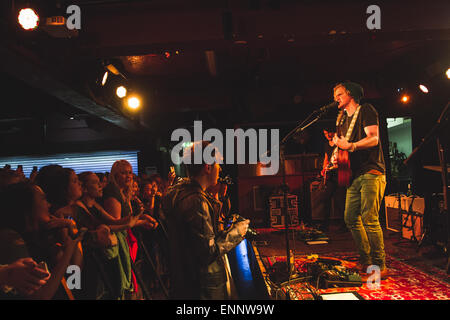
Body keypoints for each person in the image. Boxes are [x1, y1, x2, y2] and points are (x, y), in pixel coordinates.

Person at [162, 141, 250, 300]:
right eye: (217, 163)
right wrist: (238, 231)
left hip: (185, 283)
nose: (220, 168)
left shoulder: (179, 193)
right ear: (207, 167)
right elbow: (207, 252)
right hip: (202, 288)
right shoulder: (196, 202)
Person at [332, 81, 387, 279]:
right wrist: (335, 156)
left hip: (372, 171)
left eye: (339, 94)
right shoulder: (341, 120)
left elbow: (373, 138)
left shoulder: (366, 110)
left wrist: (351, 146)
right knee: (350, 218)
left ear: (351, 94)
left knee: (370, 218)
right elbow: (342, 146)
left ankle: (379, 264)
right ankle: (367, 260)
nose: (336, 98)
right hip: (353, 175)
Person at [316, 128, 347, 232]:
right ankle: (325, 225)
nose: (328, 135)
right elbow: (326, 158)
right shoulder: (326, 145)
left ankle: (344, 225)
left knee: (340, 201)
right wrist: (323, 170)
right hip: (330, 175)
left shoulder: (340, 142)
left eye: (329, 132)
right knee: (325, 199)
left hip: (340, 173)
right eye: (325, 133)